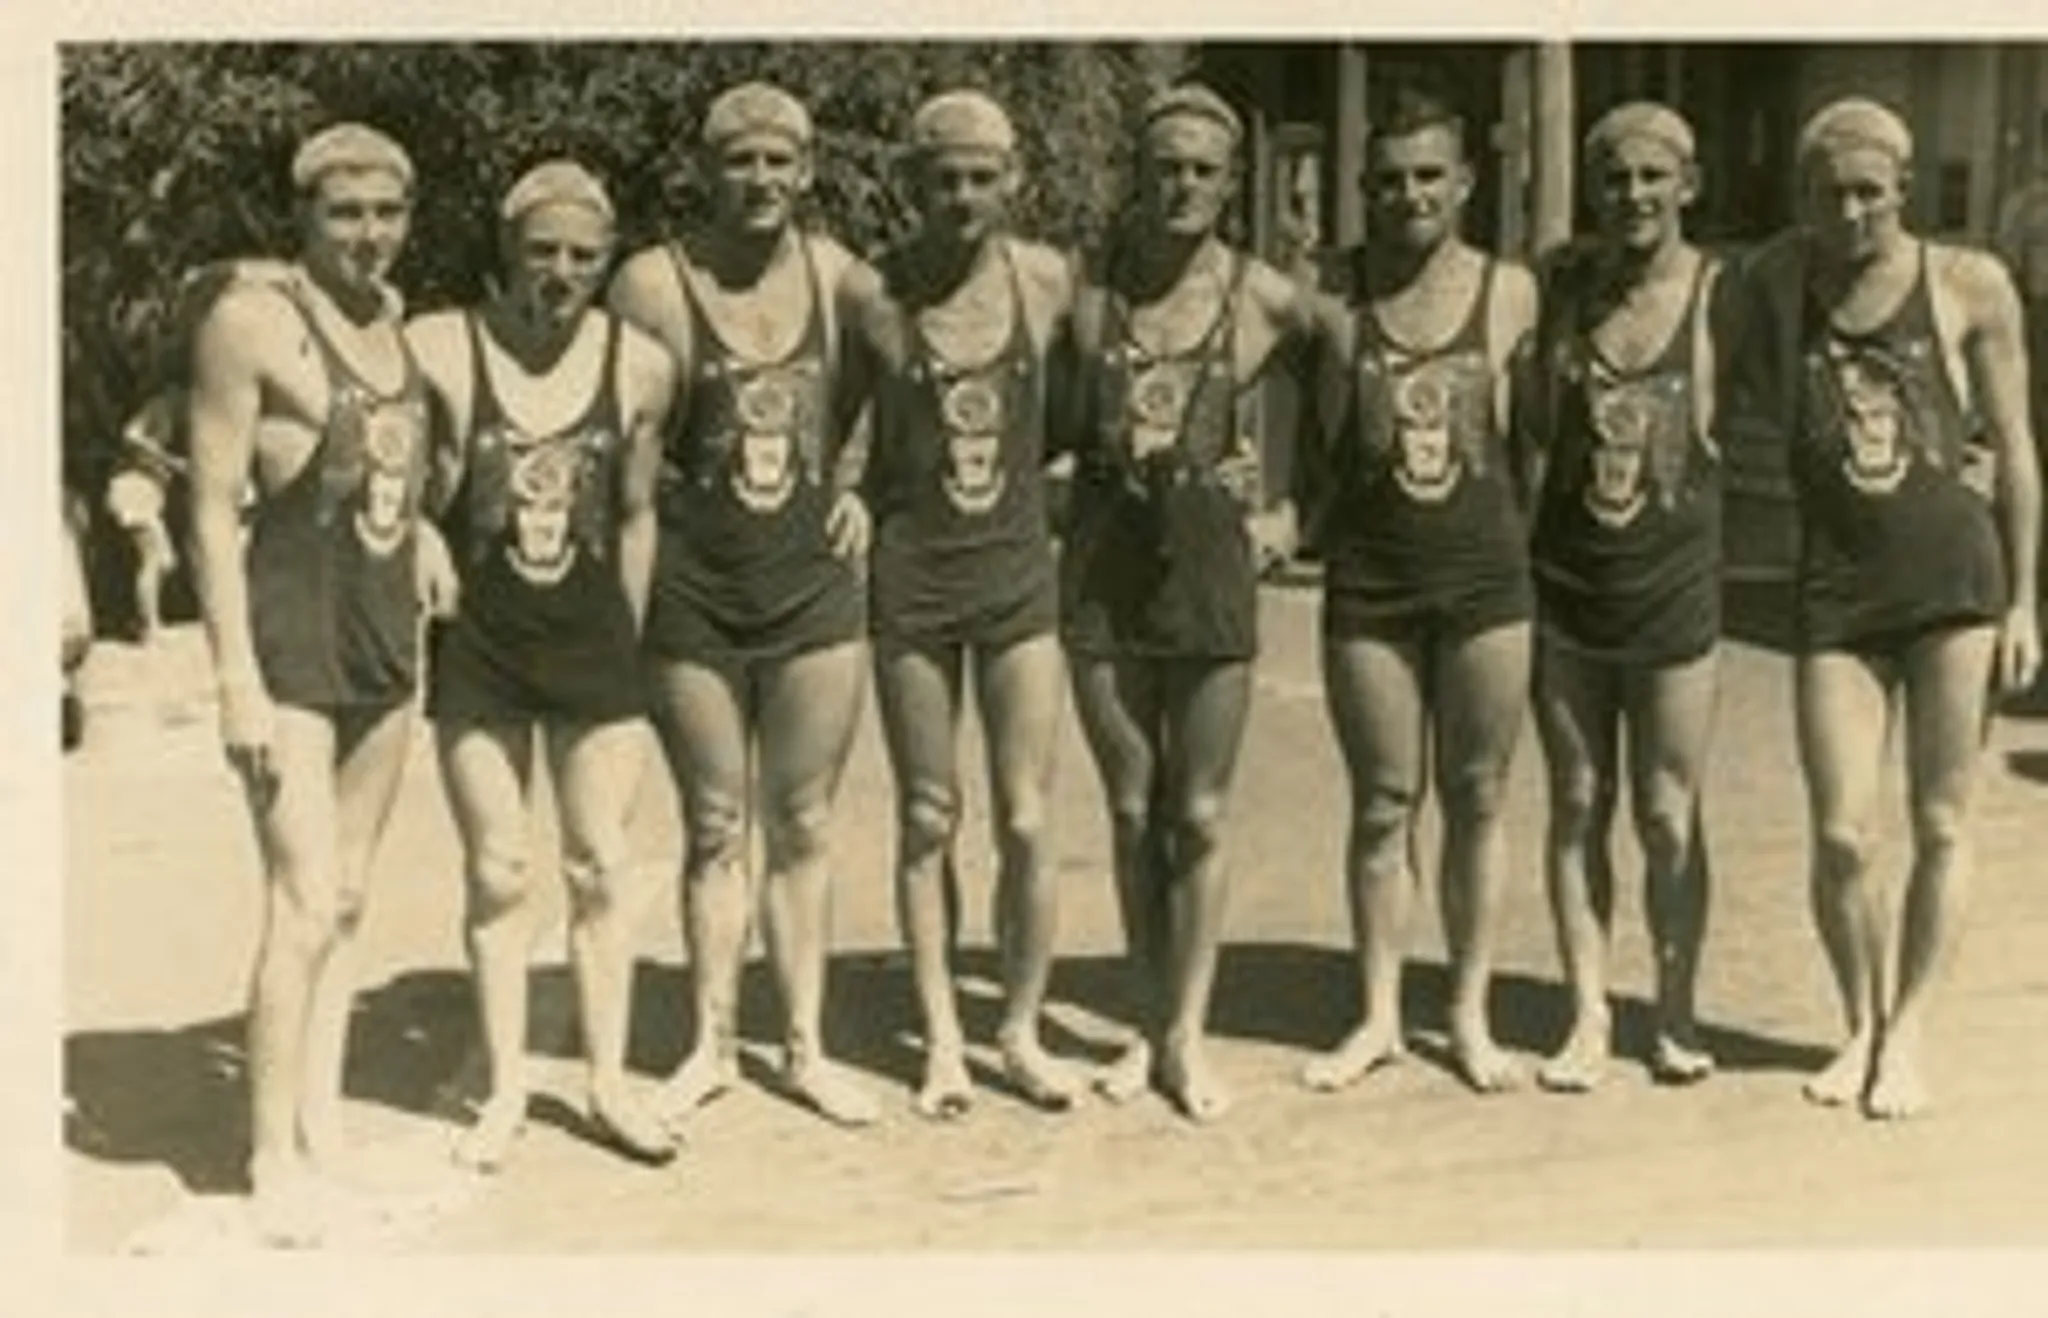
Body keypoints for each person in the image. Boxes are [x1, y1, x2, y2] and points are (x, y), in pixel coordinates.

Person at [184, 122, 457, 1245]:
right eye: (345, 213)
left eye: (386, 213)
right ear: (303, 215)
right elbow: (208, 508)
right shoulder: (248, 322)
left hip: (384, 642)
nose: (368, 235)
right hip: (291, 643)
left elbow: (389, 468)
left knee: (347, 895)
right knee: (298, 901)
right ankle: (269, 1158)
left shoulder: (391, 321)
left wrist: (430, 530)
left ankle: (324, 1131)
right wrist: (235, 678)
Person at [608, 82, 879, 1130]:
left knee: (803, 819)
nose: (760, 180)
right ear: (706, 173)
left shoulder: (841, 276)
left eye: (779, 161)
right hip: (697, 585)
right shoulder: (652, 285)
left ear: (805, 171)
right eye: (740, 162)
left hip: (812, 581)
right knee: (714, 821)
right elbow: (611, 426)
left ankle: (804, 1043)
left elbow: (914, 378)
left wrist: (860, 480)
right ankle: (710, 1041)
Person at [1055, 83, 1324, 1121]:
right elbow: (1040, 417)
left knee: (1199, 812)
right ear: (1140, 172)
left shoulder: (1263, 296)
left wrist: (1295, 507)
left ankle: (1186, 1036)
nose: (1182, 185)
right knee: (1132, 810)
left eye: (1203, 170)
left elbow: (1349, 370)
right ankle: (1140, 1017)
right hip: (1102, 574)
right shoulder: (1086, 297)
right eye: (1165, 165)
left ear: (1230, 183)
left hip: (1210, 573)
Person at [1769, 99, 2040, 1118]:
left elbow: (2014, 448)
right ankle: (1857, 1021)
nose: (1848, 214)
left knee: (1938, 818)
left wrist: (2023, 604)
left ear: (1901, 190)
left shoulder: (1967, 282)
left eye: (1867, 193)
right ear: (1801, 198)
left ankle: (1909, 1028)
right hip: (1833, 588)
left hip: (1950, 584)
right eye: (1828, 194)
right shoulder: (1775, 283)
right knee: (1840, 830)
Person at [406, 161, 677, 1171]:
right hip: (479, 642)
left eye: (581, 255)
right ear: (506, 248)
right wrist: (426, 544)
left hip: (592, 642)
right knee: (497, 868)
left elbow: (640, 511)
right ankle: (506, 1087)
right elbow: (400, 474)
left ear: (605, 259)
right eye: (540, 251)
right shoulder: (438, 347)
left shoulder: (641, 363)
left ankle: (607, 1082)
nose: (559, 272)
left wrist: (627, 635)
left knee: (600, 866)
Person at [836, 90, 1081, 1118]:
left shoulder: (1046, 282)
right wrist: (846, 490)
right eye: (943, 180)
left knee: (1025, 819)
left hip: (1017, 574)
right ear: (911, 185)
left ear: (1011, 179)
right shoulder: (871, 293)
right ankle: (941, 1038)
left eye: (982, 178)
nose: (963, 197)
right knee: (928, 815)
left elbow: (1075, 415)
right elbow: (840, 421)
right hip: (915, 577)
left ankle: (1018, 1028)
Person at [1292, 88, 1539, 1096]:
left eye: (1429, 175)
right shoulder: (1325, 295)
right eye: (1389, 180)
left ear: (1465, 184)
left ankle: (1468, 1013)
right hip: (1369, 582)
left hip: (1486, 577)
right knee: (1383, 801)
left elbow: (1546, 438)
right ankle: (1379, 1014)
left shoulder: (1513, 292)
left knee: (1477, 794)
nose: (1409, 195)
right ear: (1363, 190)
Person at [1525, 103, 1730, 1092]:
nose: (1633, 195)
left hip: (1673, 594)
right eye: (1614, 178)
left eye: (1653, 177)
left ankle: (1674, 1006)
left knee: (1663, 810)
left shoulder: (1718, 296)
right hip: (1567, 586)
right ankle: (1586, 1011)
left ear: (1686, 184)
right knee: (1573, 802)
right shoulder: (1561, 290)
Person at [108, 392, 184, 645]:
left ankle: (143, 620)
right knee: (153, 559)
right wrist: (169, 461)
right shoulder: (162, 404)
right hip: (133, 489)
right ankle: (151, 628)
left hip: (145, 493)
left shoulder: (173, 409)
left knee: (164, 561)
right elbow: (131, 435)